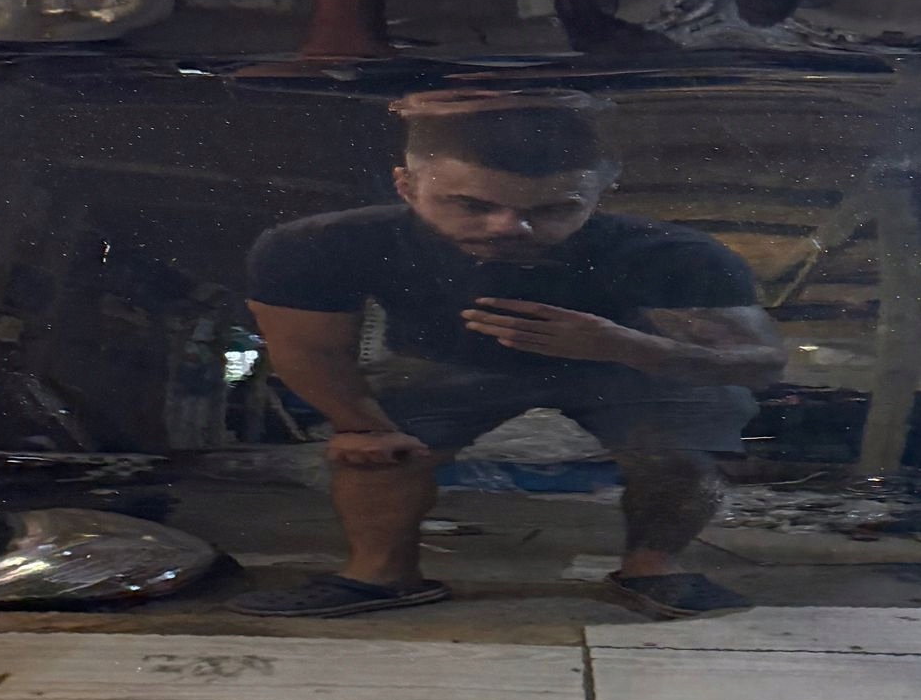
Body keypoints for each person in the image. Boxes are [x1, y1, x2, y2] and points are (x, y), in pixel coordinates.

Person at [237, 91, 784, 619]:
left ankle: (654, 566)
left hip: (624, 363)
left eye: (555, 209)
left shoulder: (675, 254)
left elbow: (761, 364)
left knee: (688, 446)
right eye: (472, 205)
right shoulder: (317, 244)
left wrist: (625, 345)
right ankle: (379, 574)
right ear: (406, 186)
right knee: (377, 448)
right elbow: (308, 350)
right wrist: (360, 424)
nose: (511, 228)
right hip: (443, 362)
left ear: (600, 193)